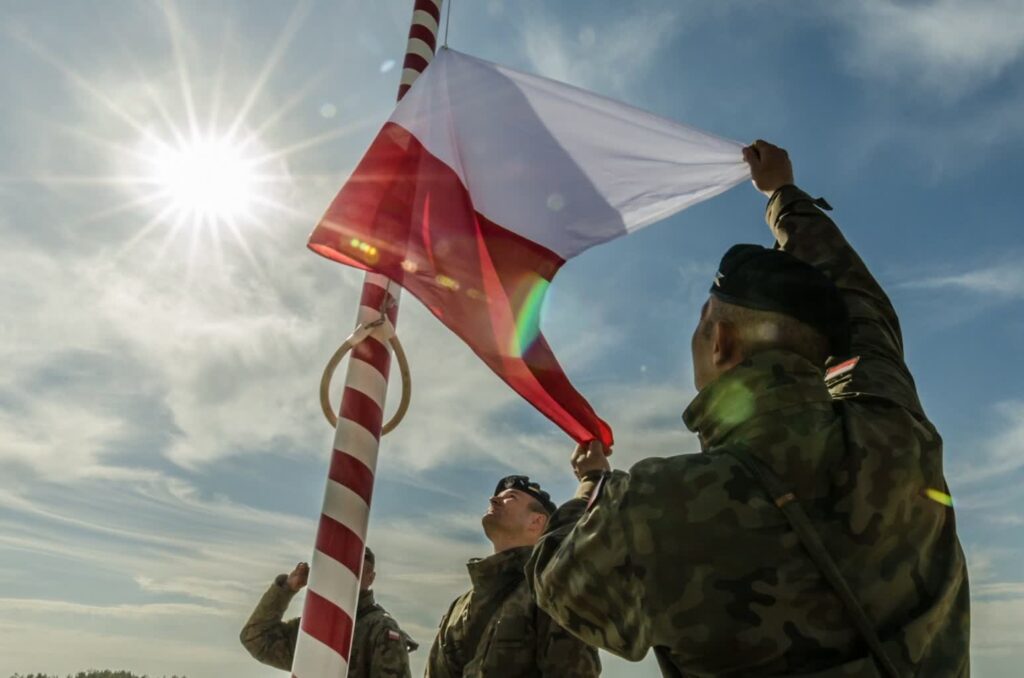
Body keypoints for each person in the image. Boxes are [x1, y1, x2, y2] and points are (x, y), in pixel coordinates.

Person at [527, 140, 970, 676]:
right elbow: (861, 302)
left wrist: (589, 488)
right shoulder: (896, 432)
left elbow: (557, 587)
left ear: (722, 344)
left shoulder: (651, 506)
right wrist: (783, 195)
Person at [425, 475, 601, 677]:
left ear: (536, 521)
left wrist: (591, 478)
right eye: (497, 496)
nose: (494, 500)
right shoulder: (459, 607)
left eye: (511, 497)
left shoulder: (547, 591)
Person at [240, 547, 417, 676]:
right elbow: (255, 638)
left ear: (371, 578)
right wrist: (287, 589)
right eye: (343, 568)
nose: (348, 575)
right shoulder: (316, 628)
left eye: (356, 570)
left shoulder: (381, 629)